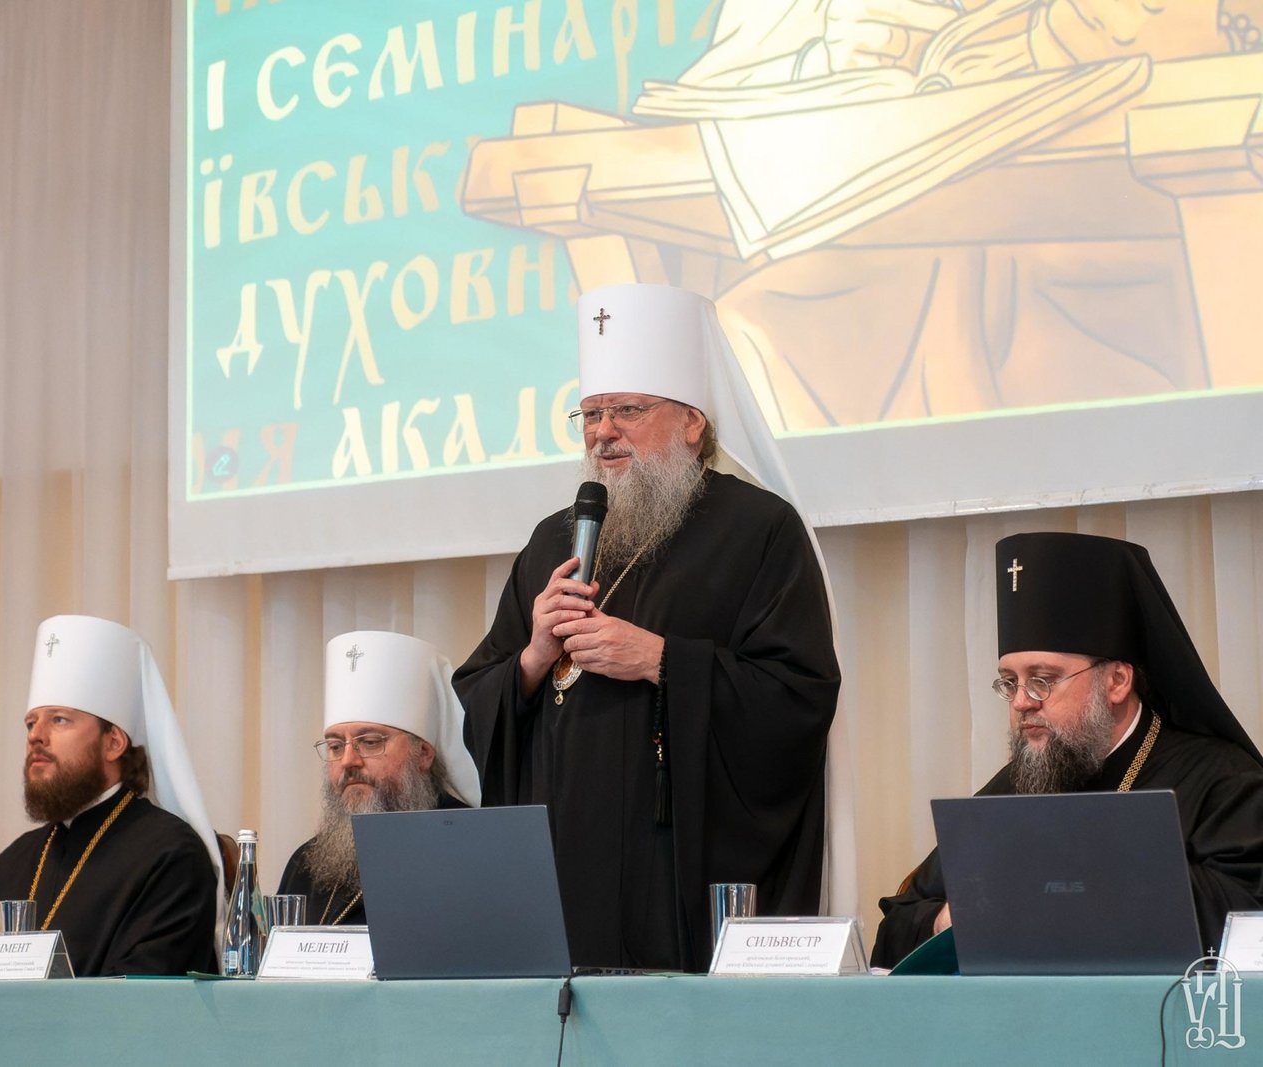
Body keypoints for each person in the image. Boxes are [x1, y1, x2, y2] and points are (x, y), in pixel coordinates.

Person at [453, 282, 841, 972]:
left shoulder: (759, 530)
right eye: (590, 413)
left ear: (692, 422)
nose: (603, 431)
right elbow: (480, 694)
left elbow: (799, 697)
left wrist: (663, 661)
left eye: (628, 410)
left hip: (677, 876)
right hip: (564, 868)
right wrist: (533, 658)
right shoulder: (552, 541)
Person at [871, 531, 1263, 969]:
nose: (1022, 702)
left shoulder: (1225, 782)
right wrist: (948, 921)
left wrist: (1087, 885)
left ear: (1116, 681)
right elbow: (897, 925)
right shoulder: (1016, 785)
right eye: (1010, 682)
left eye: (1043, 680)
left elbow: (1245, 922)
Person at [0, 614, 223, 976]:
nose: (35, 736)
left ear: (113, 743)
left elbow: (141, 994)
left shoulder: (171, 855)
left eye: (59, 719)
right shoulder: (10, 864)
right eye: (31, 722)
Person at [278, 630, 481, 926]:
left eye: (370, 742)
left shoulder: (474, 850)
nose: (348, 760)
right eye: (335, 746)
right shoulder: (305, 864)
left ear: (423, 753)